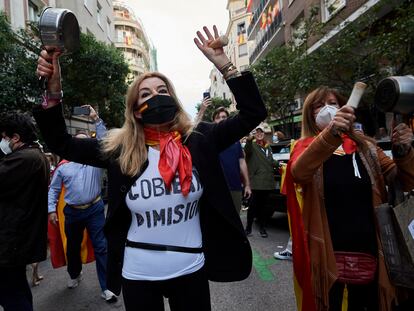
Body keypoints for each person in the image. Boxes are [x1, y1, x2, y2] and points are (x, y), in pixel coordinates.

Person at [34, 25, 267, 311]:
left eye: (162, 90)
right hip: (139, 273)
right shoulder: (119, 149)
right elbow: (60, 142)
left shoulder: (200, 139)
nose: (155, 97)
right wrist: (53, 90)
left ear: (173, 98)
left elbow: (254, 113)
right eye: (145, 94)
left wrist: (225, 64)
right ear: (135, 110)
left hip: (191, 268)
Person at [285, 86, 414, 310]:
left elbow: (401, 180)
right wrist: (332, 133)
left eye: (333, 103)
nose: (327, 108)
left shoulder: (367, 147)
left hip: (370, 248)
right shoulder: (304, 148)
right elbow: (299, 172)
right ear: (310, 114)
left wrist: (404, 151)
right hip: (326, 252)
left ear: (345, 108)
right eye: (319, 105)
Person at [47, 106, 116, 302]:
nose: (86, 149)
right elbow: (53, 190)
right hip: (72, 213)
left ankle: (107, 286)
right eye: (80, 145)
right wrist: (51, 209)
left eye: (89, 145)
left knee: (102, 247)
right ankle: (74, 274)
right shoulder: (63, 167)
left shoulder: (96, 162)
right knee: (73, 248)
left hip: (94, 209)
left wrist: (96, 119)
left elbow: (105, 144)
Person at [0, 113, 49, 311]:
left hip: (12, 240)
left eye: (3, 137)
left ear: (16, 138)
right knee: (17, 290)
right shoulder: (33, 155)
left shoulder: (24, 158)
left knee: (11, 295)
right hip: (16, 240)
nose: (2, 142)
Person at [196, 103, 252, 213]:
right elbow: (193, 129)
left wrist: (247, 185)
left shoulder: (236, 142)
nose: (221, 120)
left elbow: (242, 163)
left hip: (234, 188)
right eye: (218, 118)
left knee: (235, 220)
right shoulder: (208, 140)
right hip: (215, 189)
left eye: (224, 117)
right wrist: (202, 110)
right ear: (213, 122)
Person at [244, 126, 277, 238]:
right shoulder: (252, 145)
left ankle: (262, 228)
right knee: (252, 207)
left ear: (264, 134)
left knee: (264, 208)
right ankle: (248, 228)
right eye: (257, 132)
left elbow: (271, 161)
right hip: (256, 183)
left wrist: (281, 165)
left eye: (261, 132)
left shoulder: (268, 147)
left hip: (267, 182)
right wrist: (249, 139)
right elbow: (246, 151)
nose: (259, 134)